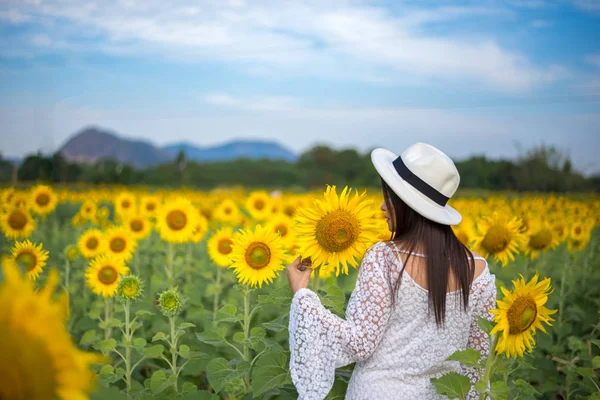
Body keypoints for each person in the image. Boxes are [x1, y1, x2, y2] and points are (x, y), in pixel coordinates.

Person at [286, 142, 496, 400]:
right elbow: (477, 358)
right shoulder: (478, 271)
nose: (383, 207)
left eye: (390, 197)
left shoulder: (384, 258)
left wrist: (302, 295)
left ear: (408, 204)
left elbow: (359, 343)